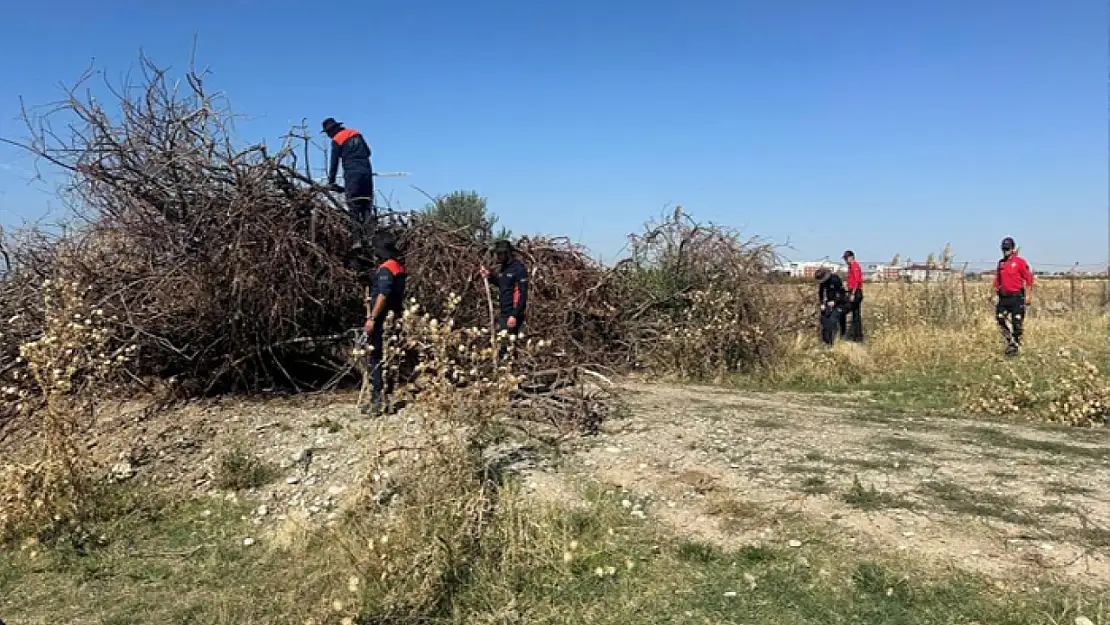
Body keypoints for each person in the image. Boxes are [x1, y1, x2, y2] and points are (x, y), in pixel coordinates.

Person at [361, 232, 406, 414]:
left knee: (375, 357)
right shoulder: (399, 268)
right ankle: (387, 398)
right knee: (391, 359)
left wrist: (371, 317)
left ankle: (377, 401)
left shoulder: (386, 269)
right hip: (395, 317)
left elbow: (384, 294)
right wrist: (370, 299)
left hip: (382, 320)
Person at [322, 117, 374, 246]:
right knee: (366, 205)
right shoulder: (356, 133)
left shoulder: (337, 139)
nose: (328, 135)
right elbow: (368, 152)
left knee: (354, 206)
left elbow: (334, 162)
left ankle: (357, 240)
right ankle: (370, 237)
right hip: (366, 172)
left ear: (331, 131)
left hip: (352, 174)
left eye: (328, 133)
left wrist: (331, 181)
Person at [480, 239, 529, 360]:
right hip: (503, 313)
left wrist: (514, 315)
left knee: (509, 346)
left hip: (513, 314)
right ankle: (505, 371)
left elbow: (522, 294)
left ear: (508, 253)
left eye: (501, 254)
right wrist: (489, 276)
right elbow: (502, 284)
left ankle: (511, 372)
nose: (499, 256)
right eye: (498, 254)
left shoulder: (519, 269)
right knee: (503, 345)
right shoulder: (504, 268)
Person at [993, 236, 1034, 356]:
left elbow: (1029, 278)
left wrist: (1028, 295)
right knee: (1000, 318)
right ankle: (1009, 340)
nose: (1005, 251)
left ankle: (1016, 343)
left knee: (1017, 321)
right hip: (1004, 297)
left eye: (1008, 248)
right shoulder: (1001, 264)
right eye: (1004, 249)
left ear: (1012, 249)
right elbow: (997, 280)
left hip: (1017, 297)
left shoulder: (1020, 262)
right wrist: (993, 293)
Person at [815, 267, 847, 345]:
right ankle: (826, 341)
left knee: (833, 320)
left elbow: (841, 293)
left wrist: (835, 302)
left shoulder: (835, 279)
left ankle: (839, 338)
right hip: (828, 302)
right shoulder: (822, 283)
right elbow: (821, 293)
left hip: (840, 302)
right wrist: (822, 303)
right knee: (823, 319)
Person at [842, 250, 864, 342]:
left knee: (844, 310)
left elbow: (857, 281)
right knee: (855, 315)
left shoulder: (855, 266)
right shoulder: (850, 267)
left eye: (846, 258)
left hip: (855, 292)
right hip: (852, 291)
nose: (845, 261)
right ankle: (857, 336)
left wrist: (853, 294)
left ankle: (848, 334)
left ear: (850, 257)